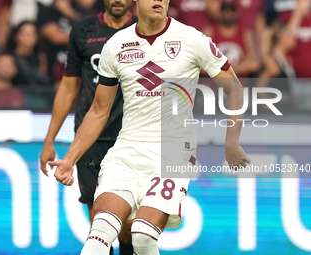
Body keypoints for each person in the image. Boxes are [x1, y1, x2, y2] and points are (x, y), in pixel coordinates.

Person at [48, 0, 250, 254]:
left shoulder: (192, 39)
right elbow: (99, 111)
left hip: (172, 151)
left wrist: (231, 141)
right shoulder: (116, 45)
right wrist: (69, 159)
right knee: (99, 234)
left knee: (142, 235)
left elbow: (235, 89)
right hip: (126, 150)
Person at [39, 0, 137, 254]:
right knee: (99, 226)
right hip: (89, 138)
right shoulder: (83, 31)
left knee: (128, 225)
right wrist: (49, 141)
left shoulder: (143, 31)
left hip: (130, 137)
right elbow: (68, 87)